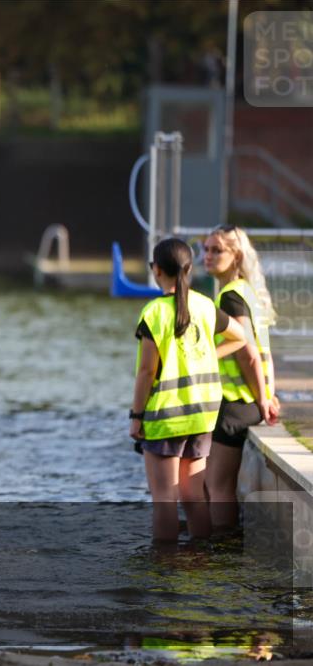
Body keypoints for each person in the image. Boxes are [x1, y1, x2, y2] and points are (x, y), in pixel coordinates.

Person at [129, 238, 246, 543]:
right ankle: (200, 562)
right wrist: (209, 355)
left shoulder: (154, 313)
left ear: (156, 270)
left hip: (167, 415)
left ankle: (165, 571)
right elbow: (240, 336)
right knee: (194, 494)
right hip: (202, 415)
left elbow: (146, 371)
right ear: (188, 269)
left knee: (164, 500)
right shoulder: (205, 305)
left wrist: (136, 416)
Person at [202, 225, 279, 530]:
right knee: (214, 485)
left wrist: (262, 399)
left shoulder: (230, 298)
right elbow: (265, 352)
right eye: (206, 249)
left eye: (216, 250)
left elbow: (247, 352)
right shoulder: (246, 291)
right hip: (247, 398)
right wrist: (268, 392)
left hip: (236, 403)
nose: (207, 256)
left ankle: (222, 553)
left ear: (236, 256)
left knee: (216, 486)